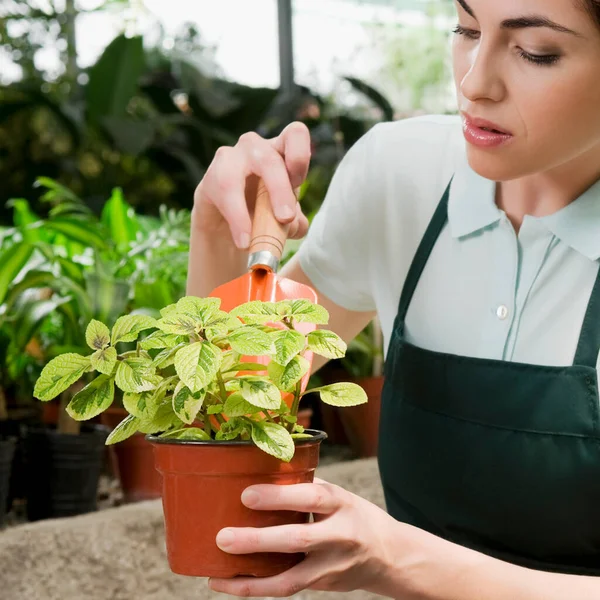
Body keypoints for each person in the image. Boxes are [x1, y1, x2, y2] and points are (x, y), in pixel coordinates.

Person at [186, 0, 600, 597]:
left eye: (536, 51)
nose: (473, 82)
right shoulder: (401, 174)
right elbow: (229, 401)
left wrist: (395, 558)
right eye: (466, 29)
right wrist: (218, 231)